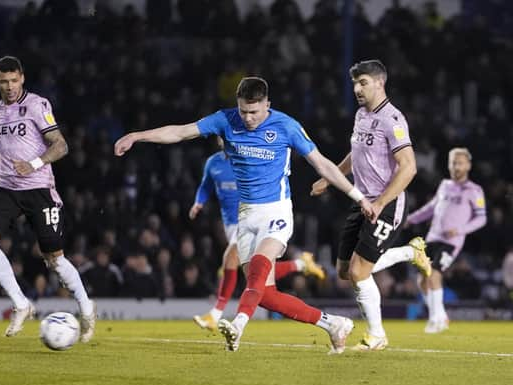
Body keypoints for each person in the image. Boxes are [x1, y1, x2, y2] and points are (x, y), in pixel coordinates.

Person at [115, 76, 377, 354]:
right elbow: (181, 132)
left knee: (260, 266)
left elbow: (322, 163)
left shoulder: (286, 126)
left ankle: (238, 323)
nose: (249, 118)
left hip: (276, 211)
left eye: (255, 112)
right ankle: (334, 324)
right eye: (244, 111)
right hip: (246, 216)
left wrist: (358, 196)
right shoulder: (225, 120)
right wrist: (137, 136)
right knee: (266, 295)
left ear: (268, 104)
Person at [0, 56, 96, 341]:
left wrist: (33, 163)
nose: (9, 87)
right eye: (3, 81)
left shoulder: (37, 104)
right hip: (7, 188)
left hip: (38, 188)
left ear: (22, 77)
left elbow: (61, 145)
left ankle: (86, 307)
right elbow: (1, 151)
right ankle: (21, 305)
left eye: (14, 81)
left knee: (54, 260)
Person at [311, 59, 430, 351]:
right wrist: (332, 177)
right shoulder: (361, 115)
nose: (357, 89)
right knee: (343, 272)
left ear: (380, 83)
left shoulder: (393, 120)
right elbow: (356, 153)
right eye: (355, 83)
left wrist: (380, 202)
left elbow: (409, 167)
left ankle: (377, 335)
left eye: (363, 82)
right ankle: (409, 252)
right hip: (361, 202)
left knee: (359, 272)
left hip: (385, 204)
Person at [190, 136, 326, 331]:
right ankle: (300, 264)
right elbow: (205, 186)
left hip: (252, 219)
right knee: (257, 275)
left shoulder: (247, 159)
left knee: (230, 258)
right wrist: (198, 202)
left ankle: (216, 313)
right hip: (231, 224)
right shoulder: (213, 163)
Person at [406, 147, 486, 333]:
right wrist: (410, 219)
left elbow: (481, 218)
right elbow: (431, 208)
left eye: (459, 163)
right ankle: (441, 315)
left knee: (434, 274)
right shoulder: (444, 185)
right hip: (432, 237)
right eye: (453, 163)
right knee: (421, 280)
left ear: (468, 166)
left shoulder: (474, 190)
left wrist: (459, 230)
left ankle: (435, 320)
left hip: (451, 242)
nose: (455, 166)